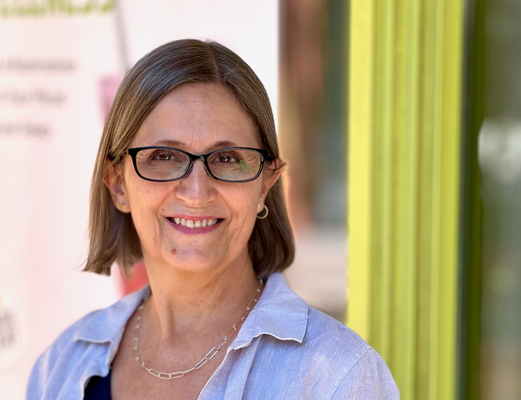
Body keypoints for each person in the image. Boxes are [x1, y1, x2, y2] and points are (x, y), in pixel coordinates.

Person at [26, 39, 399, 400]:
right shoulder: (62, 366)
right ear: (118, 184)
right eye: (164, 156)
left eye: (228, 159)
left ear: (266, 185)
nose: (196, 192)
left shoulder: (336, 377)